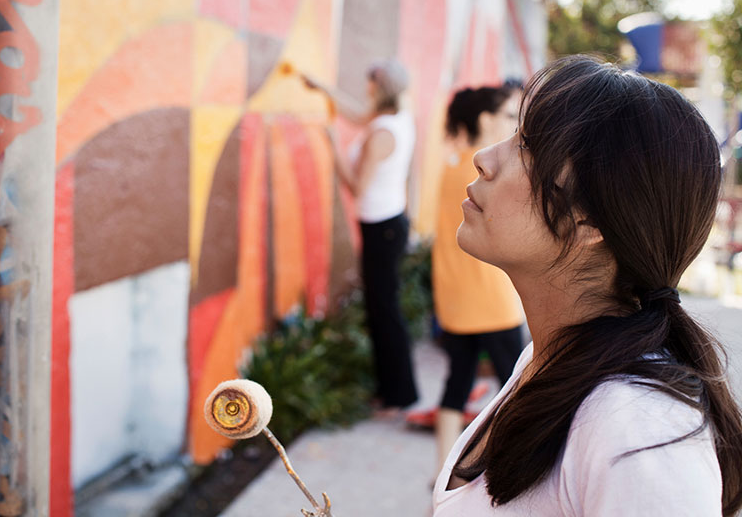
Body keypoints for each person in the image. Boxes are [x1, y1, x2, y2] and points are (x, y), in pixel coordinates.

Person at [433, 55, 742, 515]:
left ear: (592, 220)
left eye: (529, 146)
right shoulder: (547, 358)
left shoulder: (639, 429)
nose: (485, 158)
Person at [406, 86, 526, 473]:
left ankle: (445, 474)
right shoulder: (485, 174)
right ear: (486, 120)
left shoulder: (449, 165)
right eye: (508, 115)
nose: (514, 123)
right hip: (492, 300)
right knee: (518, 391)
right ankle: (511, 472)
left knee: (456, 385)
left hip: (456, 300)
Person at [303, 60, 419, 412]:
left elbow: (356, 186)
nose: (365, 90)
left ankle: (397, 396)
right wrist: (321, 86)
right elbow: (355, 113)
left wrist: (331, 144)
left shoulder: (382, 135)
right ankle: (395, 392)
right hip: (386, 225)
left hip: (382, 229)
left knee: (384, 311)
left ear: (377, 89)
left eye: (369, 85)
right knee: (382, 309)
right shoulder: (393, 119)